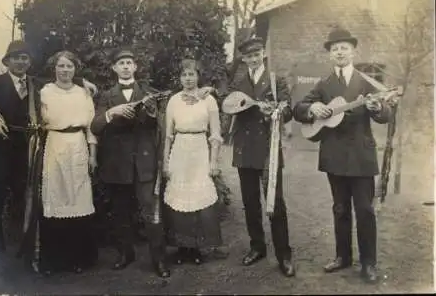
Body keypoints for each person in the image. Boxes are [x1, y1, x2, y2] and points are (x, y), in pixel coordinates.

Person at [0, 41, 98, 258]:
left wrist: (82, 80)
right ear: (7, 61)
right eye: (16, 58)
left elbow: (60, 80)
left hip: (21, 158)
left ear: (29, 62)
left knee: (24, 206)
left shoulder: (34, 84)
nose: (21, 62)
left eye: (25, 58)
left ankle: (22, 255)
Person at [292, 28, 392, 283]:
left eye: (344, 47)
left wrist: (377, 106)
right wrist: (312, 107)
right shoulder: (324, 84)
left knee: (365, 211)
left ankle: (368, 263)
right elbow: (299, 108)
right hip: (334, 155)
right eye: (335, 48)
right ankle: (342, 256)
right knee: (339, 209)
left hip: (360, 156)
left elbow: (385, 113)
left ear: (353, 52)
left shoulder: (367, 81)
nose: (339, 52)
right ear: (330, 54)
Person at [90, 48, 170, 278]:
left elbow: (157, 126)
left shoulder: (148, 92)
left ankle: (159, 260)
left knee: (152, 213)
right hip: (117, 164)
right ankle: (126, 254)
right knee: (120, 213)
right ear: (114, 68)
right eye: (121, 63)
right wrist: (111, 113)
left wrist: (152, 111)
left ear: (135, 67)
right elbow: (95, 127)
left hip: (144, 163)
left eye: (129, 62)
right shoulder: (106, 96)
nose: (125, 66)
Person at [18, 50, 99, 275]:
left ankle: (79, 258)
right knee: (55, 199)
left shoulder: (84, 92)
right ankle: (54, 260)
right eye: (61, 66)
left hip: (78, 146)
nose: (65, 71)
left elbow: (91, 126)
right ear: (54, 69)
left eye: (69, 67)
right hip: (54, 145)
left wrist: (92, 155)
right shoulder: (45, 92)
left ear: (76, 69)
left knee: (78, 198)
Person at [222, 37, 296, 277]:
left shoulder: (276, 81)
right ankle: (257, 247)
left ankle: (284, 254)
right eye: (248, 56)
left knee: (275, 203)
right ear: (244, 59)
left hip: (268, 150)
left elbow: (288, 110)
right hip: (244, 150)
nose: (253, 59)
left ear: (263, 54)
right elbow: (230, 107)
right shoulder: (239, 82)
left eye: (257, 54)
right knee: (250, 203)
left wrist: (275, 112)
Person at [162, 56, 224, 265]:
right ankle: (182, 247)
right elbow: (168, 135)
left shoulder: (209, 100)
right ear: (179, 78)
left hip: (199, 150)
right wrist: (165, 162)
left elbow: (215, 134)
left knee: (199, 197)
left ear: (198, 76)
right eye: (184, 74)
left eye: (192, 74)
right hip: (180, 149)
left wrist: (214, 162)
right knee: (180, 197)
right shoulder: (174, 100)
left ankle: (197, 248)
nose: (188, 79)